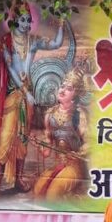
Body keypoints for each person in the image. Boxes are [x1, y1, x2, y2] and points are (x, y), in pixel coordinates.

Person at [0, 6, 66, 200]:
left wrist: (62, 24)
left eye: (28, 20)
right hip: (13, 94)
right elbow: (12, 70)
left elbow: (56, 43)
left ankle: (18, 180)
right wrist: (24, 91)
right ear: (15, 20)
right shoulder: (7, 41)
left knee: (23, 139)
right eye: (22, 20)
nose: (25, 24)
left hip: (27, 97)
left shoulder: (33, 41)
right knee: (5, 137)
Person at [32, 68, 89, 202]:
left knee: (53, 193)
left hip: (74, 166)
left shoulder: (79, 115)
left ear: (75, 94)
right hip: (58, 164)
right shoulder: (50, 114)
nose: (62, 90)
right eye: (62, 86)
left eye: (68, 89)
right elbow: (47, 151)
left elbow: (89, 143)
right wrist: (39, 144)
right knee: (38, 190)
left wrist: (79, 153)